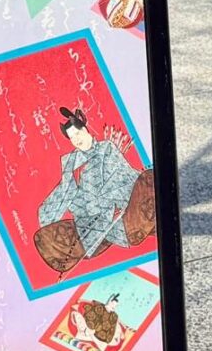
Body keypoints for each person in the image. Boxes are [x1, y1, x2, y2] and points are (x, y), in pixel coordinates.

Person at [34, 106, 143, 264]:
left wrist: (115, 200)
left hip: (106, 209)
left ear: (85, 129)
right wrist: (46, 216)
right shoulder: (69, 161)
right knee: (51, 229)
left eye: (77, 133)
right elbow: (65, 190)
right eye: (72, 138)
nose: (76, 139)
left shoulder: (106, 148)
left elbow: (122, 173)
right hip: (83, 213)